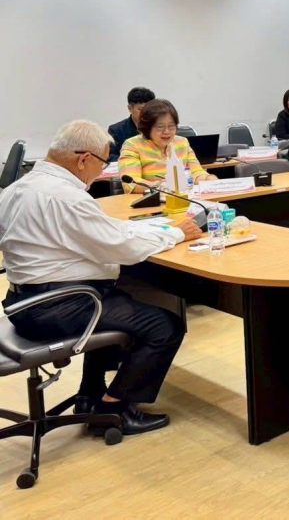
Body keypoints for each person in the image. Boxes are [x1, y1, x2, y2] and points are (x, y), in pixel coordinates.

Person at [0, 120, 203, 435]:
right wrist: (176, 234)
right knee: (163, 326)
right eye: (103, 162)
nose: (103, 170)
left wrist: (137, 229)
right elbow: (122, 248)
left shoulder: (16, 189)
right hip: (59, 305)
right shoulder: (66, 197)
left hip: (22, 301)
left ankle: (89, 395)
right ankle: (113, 409)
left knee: (117, 302)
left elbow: (97, 234)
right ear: (84, 159)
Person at [119, 99, 217, 193]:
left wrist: (208, 179)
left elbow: (196, 173)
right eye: (160, 127)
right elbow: (130, 183)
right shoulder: (132, 145)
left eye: (171, 126)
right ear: (147, 127)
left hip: (184, 198)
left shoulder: (182, 142)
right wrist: (158, 186)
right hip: (151, 201)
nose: (166, 131)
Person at [108, 86, 155, 155]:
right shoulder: (116, 130)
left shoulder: (159, 127)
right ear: (130, 108)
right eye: (140, 109)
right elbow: (111, 156)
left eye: (149, 109)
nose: (145, 113)